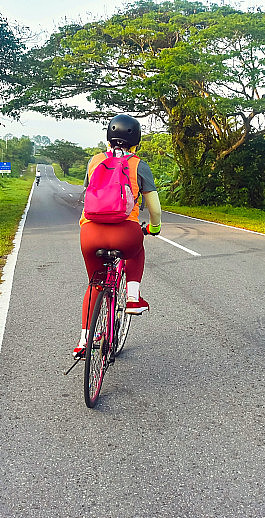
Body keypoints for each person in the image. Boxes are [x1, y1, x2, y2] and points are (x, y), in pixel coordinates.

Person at [74, 114, 162, 358]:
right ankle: (133, 297)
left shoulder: (94, 162)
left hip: (91, 232)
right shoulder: (138, 165)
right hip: (125, 232)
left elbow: (91, 196)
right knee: (137, 248)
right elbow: (154, 209)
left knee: (95, 284)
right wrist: (154, 228)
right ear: (137, 140)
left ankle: (83, 340)